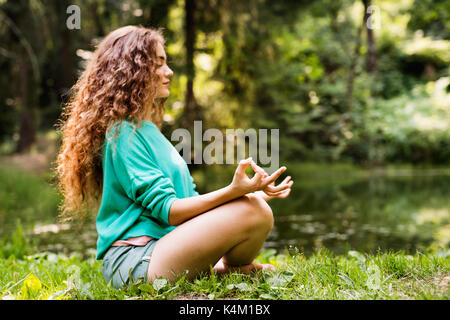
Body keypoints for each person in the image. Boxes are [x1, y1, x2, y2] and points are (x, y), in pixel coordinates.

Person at [56, 25, 293, 288]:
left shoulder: (149, 131)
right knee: (254, 211)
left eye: (166, 63)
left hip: (163, 249)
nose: (168, 72)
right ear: (132, 72)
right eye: (157, 65)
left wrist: (249, 193)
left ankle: (223, 270)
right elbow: (170, 212)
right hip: (134, 262)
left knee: (256, 208)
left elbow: (190, 203)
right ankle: (223, 270)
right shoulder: (122, 133)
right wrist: (232, 192)